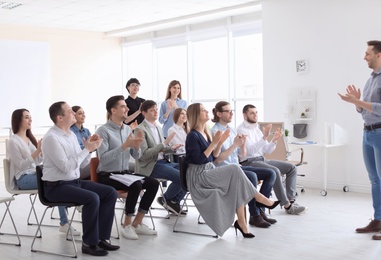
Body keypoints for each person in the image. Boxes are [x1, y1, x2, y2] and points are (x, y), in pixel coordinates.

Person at [185, 103, 280, 237]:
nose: (207, 112)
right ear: (195, 114)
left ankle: (242, 222)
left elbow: (213, 157)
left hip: (208, 169)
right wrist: (215, 143)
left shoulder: (205, 132)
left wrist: (219, 143)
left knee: (237, 180)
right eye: (203, 110)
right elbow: (200, 160)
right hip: (199, 175)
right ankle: (261, 200)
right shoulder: (192, 136)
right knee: (236, 171)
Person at [41, 101, 119, 256]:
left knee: (110, 192)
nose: (73, 113)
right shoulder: (51, 138)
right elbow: (65, 167)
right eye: (70, 111)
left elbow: (81, 164)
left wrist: (90, 148)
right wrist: (87, 150)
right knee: (92, 198)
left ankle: (101, 238)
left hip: (73, 182)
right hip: (56, 187)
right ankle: (89, 244)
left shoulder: (70, 135)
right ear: (60, 117)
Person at [7, 108, 81, 236]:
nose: (30, 119)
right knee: (56, 181)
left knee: (58, 178)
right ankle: (65, 221)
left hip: (35, 173)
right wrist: (37, 151)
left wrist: (43, 152)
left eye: (30, 116)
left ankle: (71, 211)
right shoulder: (13, 141)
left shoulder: (30, 139)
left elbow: (38, 161)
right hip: (23, 179)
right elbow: (21, 165)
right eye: (26, 117)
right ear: (18, 120)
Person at [96, 95, 159, 240]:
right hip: (107, 175)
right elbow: (103, 159)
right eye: (123, 106)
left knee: (153, 183)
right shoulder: (103, 131)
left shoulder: (127, 129)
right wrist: (124, 146)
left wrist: (136, 147)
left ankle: (137, 222)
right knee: (135, 184)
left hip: (124, 174)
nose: (127, 109)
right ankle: (126, 224)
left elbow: (136, 156)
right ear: (113, 110)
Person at [338, 40, 381, 240]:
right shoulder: (371, 79)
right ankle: (378, 219)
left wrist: (359, 102)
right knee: (374, 180)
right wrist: (357, 104)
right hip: (368, 133)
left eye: (367, 54)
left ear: (378, 55)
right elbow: (363, 110)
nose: (364, 57)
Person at [210, 101, 277, 228]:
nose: (231, 113)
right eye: (228, 111)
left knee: (271, 173)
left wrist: (243, 144)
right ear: (219, 113)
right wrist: (236, 144)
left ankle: (260, 209)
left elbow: (242, 155)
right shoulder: (214, 131)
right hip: (225, 169)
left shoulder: (232, 130)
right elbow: (217, 159)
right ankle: (255, 215)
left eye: (232, 111)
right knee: (251, 176)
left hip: (237, 166)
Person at [236, 104, 306, 215]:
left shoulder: (257, 130)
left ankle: (291, 201)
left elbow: (267, 150)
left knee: (291, 168)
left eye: (256, 112)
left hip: (262, 160)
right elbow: (250, 151)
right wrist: (264, 137)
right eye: (252, 113)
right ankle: (287, 205)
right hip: (249, 162)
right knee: (275, 171)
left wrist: (274, 140)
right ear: (245, 115)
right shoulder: (241, 129)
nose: (255, 115)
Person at [134, 100, 187, 215]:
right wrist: (164, 144)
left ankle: (173, 201)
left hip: (163, 162)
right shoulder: (140, 129)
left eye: (156, 109)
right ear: (144, 113)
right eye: (152, 110)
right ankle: (165, 199)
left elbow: (162, 149)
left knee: (189, 171)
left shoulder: (158, 127)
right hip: (151, 165)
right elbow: (144, 155)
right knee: (180, 177)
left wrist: (172, 148)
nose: (155, 112)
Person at [70, 105, 91, 179]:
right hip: (78, 166)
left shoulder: (87, 131)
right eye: (80, 113)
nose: (83, 115)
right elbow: (76, 150)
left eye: (83, 113)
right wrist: (88, 147)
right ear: (73, 116)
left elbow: (91, 147)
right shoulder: (70, 132)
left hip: (87, 162)